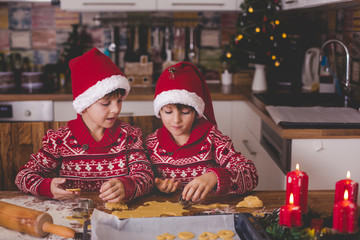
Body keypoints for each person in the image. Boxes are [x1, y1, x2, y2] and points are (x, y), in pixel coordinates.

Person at [15, 48, 154, 203]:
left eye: (119, 100)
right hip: (71, 216)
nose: (116, 109)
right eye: (106, 103)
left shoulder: (129, 136)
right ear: (85, 105)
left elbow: (146, 177)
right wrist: (47, 187)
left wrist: (127, 186)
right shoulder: (59, 140)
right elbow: (23, 176)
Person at [145, 61, 258, 203]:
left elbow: (250, 174)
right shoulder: (151, 145)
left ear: (196, 111)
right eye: (168, 111)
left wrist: (214, 177)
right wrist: (157, 187)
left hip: (209, 213)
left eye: (185, 112)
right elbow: (142, 181)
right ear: (159, 111)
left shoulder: (212, 138)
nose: (176, 119)